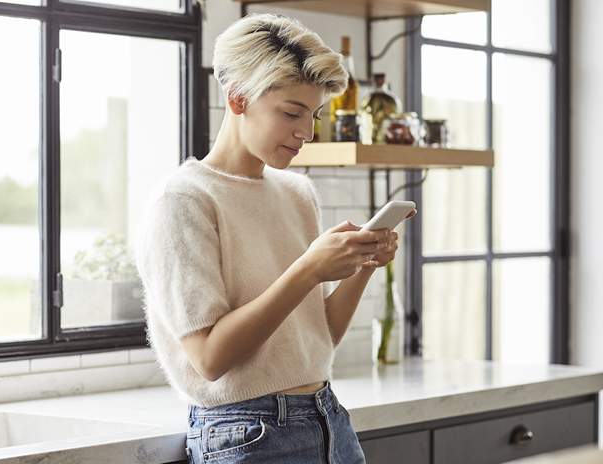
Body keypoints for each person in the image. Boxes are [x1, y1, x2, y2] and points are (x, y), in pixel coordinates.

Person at [135, 13, 413, 464]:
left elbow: (315, 341)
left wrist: (362, 265)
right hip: (245, 432)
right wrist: (308, 269)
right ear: (238, 98)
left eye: (314, 115)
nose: (306, 131)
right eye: (291, 113)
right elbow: (209, 358)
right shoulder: (183, 201)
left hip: (328, 419)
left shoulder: (297, 193)